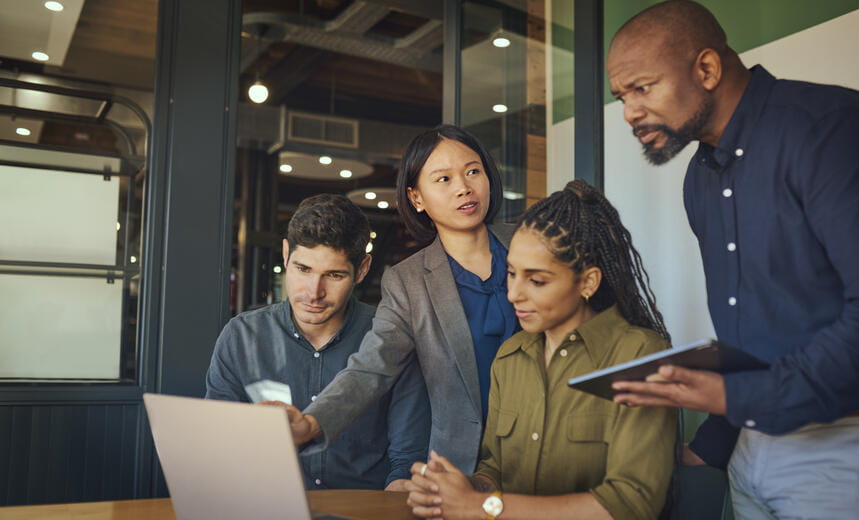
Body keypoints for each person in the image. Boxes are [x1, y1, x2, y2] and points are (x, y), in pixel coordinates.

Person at [605, 1, 859, 517]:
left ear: (707, 69)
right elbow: (751, 329)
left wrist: (733, 400)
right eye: (621, 96)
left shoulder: (833, 130)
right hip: (747, 451)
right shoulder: (700, 177)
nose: (629, 112)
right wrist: (716, 437)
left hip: (848, 448)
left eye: (641, 88)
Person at [405, 180, 677, 520]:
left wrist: (483, 508)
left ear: (587, 282)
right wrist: (463, 488)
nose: (514, 295)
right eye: (511, 274)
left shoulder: (641, 356)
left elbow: (632, 503)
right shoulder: (510, 357)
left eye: (537, 280)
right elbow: (496, 469)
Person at [274, 125, 518, 476]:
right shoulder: (407, 281)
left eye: (472, 171)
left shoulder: (533, 241)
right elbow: (372, 366)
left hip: (552, 446)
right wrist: (312, 423)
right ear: (416, 198)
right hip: (463, 464)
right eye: (443, 179)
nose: (464, 187)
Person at [204, 193, 430, 491]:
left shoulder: (391, 338)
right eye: (303, 269)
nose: (313, 292)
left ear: (362, 269)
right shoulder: (241, 336)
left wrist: (401, 488)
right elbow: (216, 445)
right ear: (286, 255)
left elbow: (407, 456)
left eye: (334, 275)